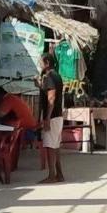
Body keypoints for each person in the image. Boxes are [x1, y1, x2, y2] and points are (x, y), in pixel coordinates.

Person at [38, 40, 66, 184]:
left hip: (52, 116)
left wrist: (47, 118)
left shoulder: (49, 76)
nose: (40, 65)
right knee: (55, 146)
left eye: (41, 63)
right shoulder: (56, 76)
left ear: (47, 63)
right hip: (58, 116)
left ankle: (51, 175)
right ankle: (59, 174)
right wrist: (39, 85)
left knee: (50, 146)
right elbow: (48, 91)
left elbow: (51, 97)